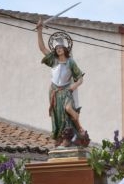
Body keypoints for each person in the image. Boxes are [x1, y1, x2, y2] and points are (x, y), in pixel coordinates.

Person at [36, 17, 87, 147]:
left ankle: (76, 128)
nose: (58, 49)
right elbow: (42, 48)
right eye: (57, 48)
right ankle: (60, 137)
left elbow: (80, 78)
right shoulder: (53, 60)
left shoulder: (71, 62)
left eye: (61, 47)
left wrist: (74, 86)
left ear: (65, 49)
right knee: (57, 115)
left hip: (66, 90)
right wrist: (39, 31)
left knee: (67, 109)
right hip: (54, 90)